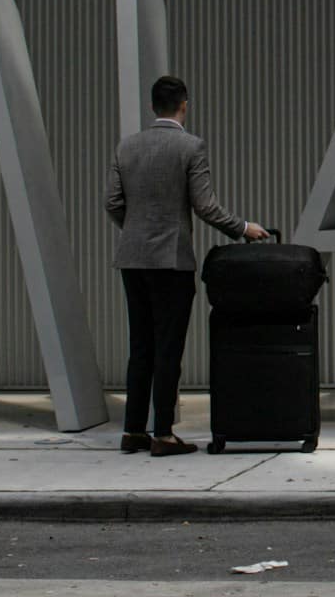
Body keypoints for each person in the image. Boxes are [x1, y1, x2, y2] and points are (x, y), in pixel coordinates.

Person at [104, 75, 267, 457]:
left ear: (152, 106)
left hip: (132, 259)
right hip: (172, 261)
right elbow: (205, 206)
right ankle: (162, 433)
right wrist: (243, 228)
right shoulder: (191, 146)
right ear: (184, 105)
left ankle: (132, 432)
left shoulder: (126, 147)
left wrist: (137, 230)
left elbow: (112, 203)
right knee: (168, 347)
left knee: (140, 345)